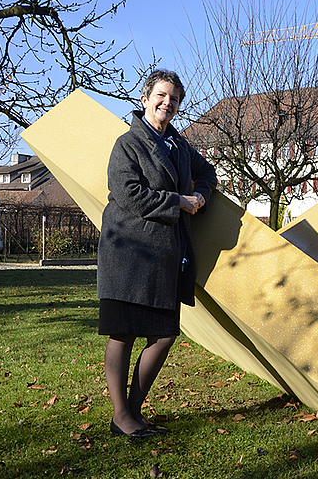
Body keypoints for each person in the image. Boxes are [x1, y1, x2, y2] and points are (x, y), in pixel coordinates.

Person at [97, 70, 217, 438]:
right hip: (128, 254)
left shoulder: (178, 146)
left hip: (166, 256)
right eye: (162, 96)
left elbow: (207, 172)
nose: (168, 103)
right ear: (146, 98)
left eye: (175, 99)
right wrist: (177, 201)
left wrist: (201, 196)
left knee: (163, 334)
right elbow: (127, 193)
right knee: (123, 333)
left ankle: (131, 413)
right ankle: (122, 414)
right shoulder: (128, 144)